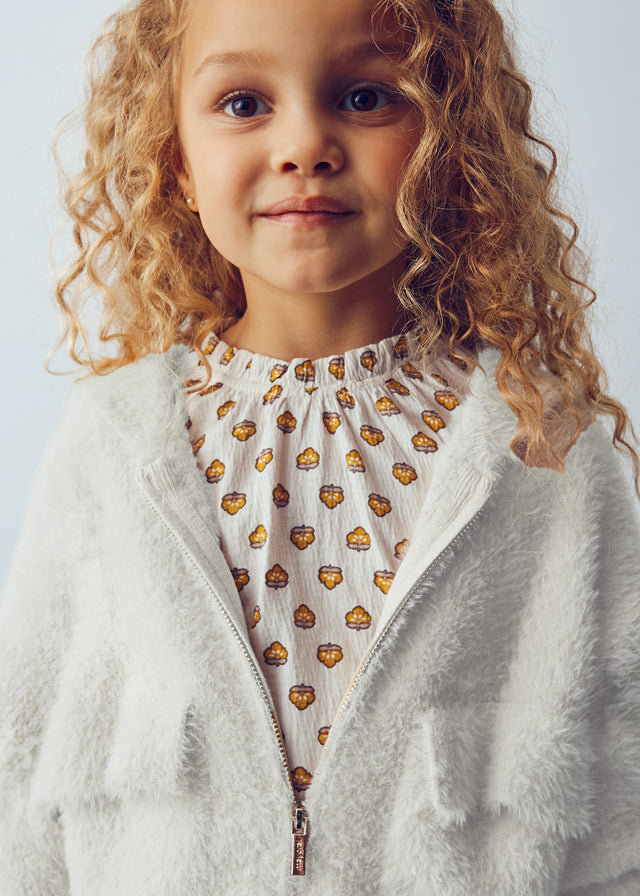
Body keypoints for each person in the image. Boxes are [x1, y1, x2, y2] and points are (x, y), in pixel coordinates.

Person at [1, 0, 638, 892]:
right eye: (243, 104)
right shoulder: (113, 437)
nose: (304, 144)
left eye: (366, 96)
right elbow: (22, 778)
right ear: (176, 161)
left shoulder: (544, 443)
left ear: (448, 142)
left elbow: (620, 806)